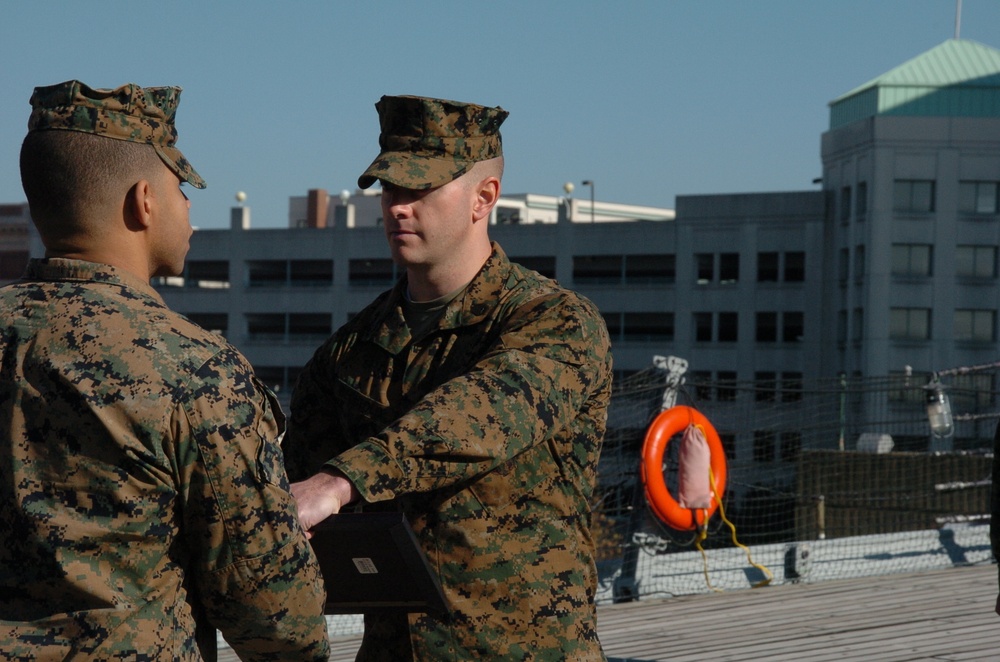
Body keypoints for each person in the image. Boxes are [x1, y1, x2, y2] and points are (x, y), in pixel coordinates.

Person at [0, 80, 330, 661]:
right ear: (144, 200)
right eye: (182, 189)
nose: (189, 209)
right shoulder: (193, 369)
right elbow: (276, 618)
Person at [284, 95, 614, 660]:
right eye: (390, 189)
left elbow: (482, 416)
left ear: (484, 198)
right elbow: (292, 487)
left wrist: (341, 482)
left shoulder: (554, 321)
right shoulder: (350, 350)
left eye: (420, 190)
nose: (397, 208)